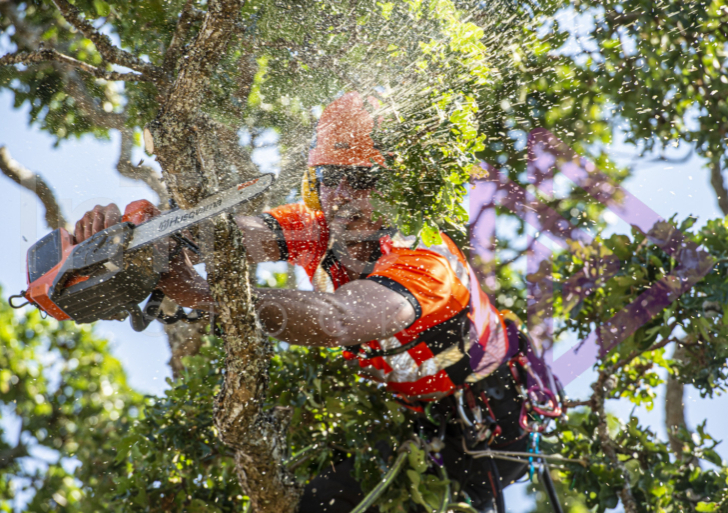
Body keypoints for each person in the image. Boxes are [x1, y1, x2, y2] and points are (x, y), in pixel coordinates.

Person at [74, 92, 529, 513]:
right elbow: (231, 236)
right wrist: (148, 233)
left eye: (363, 179)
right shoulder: (317, 225)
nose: (343, 195)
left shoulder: (425, 260)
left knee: (324, 503)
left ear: (399, 187)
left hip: (482, 428)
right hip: (404, 415)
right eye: (332, 178)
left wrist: (203, 296)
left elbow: (338, 320)